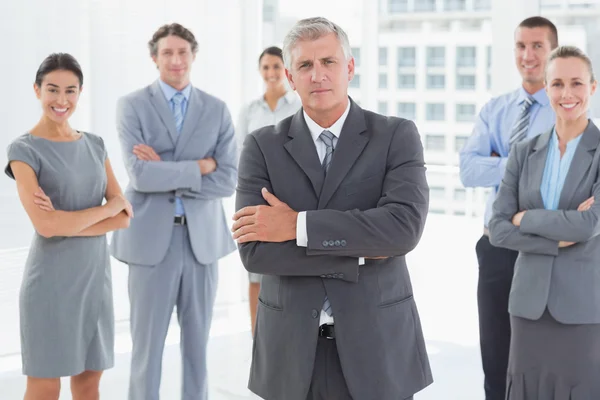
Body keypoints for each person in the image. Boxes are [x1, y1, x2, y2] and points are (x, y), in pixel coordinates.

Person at [232, 17, 432, 400]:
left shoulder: (396, 135)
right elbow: (254, 251)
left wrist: (297, 226)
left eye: (328, 62)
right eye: (305, 66)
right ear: (290, 77)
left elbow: (402, 229)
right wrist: (355, 256)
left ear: (350, 68)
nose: (317, 74)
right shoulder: (261, 146)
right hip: (290, 352)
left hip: (377, 344)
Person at [109, 23, 238, 400]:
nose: (176, 60)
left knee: (198, 349)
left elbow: (228, 179)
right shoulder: (131, 106)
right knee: (146, 349)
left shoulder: (216, 110)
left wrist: (164, 170)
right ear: (154, 58)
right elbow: (139, 175)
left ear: (193, 55)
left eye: (183, 52)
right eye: (167, 53)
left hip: (202, 244)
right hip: (150, 244)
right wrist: (200, 166)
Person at [5, 53, 132, 400]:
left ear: (80, 93)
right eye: (52, 90)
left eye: (70, 91)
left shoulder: (95, 144)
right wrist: (102, 210)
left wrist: (66, 221)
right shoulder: (23, 151)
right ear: (37, 90)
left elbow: (122, 217)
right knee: (45, 385)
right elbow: (45, 226)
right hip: (50, 284)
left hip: (95, 281)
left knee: (90, 382)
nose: (62, 100)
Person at [489, 45, 600, 399]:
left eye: (576, 83)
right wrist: (555, 237)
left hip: (583, 305)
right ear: (547, 88)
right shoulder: (524, 151)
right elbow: (499, 228)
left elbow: (589, 225)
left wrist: (527, 218)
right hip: (527, 305)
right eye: (557, 84)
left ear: (593, 88)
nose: (567, 94)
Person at [459, 16, 558, 399]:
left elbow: (557, 179)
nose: (528, 55)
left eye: (537, 46)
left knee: (542, 358)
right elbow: (468, 169)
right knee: (496, 359)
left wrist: (500, 161)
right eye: (521, 46)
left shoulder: (566, 110)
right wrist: (522, 161)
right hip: (496, 248)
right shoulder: (496, 109)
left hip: (544, 249)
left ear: (553, 52)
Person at [236, 45, 301, 334]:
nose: (271, 73)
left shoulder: (298, 106)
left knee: (290, 268)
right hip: (258, 197)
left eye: (276, 67)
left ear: (285, 70)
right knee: (255, 274)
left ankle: (288, 333)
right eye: (266, 67)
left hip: (291, 197)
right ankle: (258, 334)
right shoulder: (250, 111)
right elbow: (240, 154)